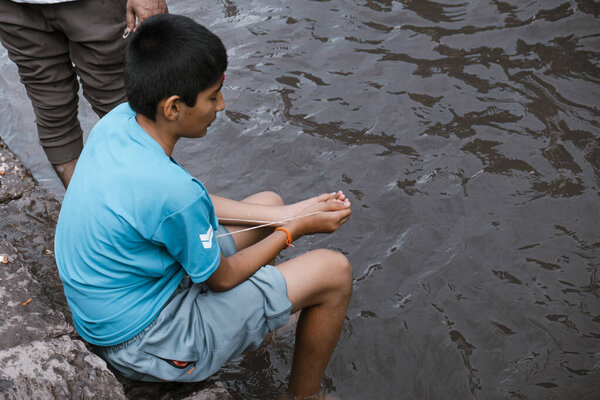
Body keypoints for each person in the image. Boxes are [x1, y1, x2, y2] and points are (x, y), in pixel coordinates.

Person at [54, 14, 353, 400]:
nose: (222, 106)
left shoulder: (118, 124)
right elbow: (222, 278)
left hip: (107, 311)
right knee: (334, 271)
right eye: (213, 96)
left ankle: (255, 326)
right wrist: (293, 230)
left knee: (270, 203)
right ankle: (303, 396)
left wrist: (287, 213)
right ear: (174, 107)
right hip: (146, 343)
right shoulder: (174, 191)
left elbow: (180, 208)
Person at [0, 0, 168, 188]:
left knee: (127, 106)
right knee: (54, 109)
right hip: (13, 8)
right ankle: (88, 208)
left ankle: (154, 200)